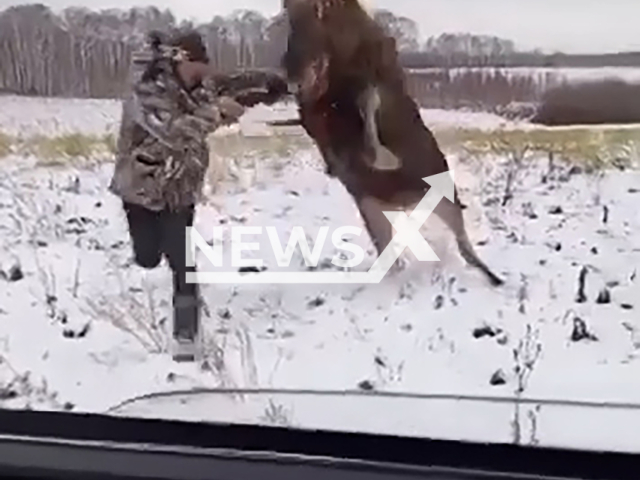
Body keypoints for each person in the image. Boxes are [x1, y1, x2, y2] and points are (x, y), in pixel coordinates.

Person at [109, 29, 289, 362]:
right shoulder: (146, 89)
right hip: (142, 189)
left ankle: (185, 341)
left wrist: (270, 82)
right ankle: (155, 253)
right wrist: (220, 112)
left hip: (181, 187)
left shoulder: (201, 82)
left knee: (183, 262)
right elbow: (173, 133)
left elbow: (228, 82)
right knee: (147, 257)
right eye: (200, 67)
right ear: (180, 60)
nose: (205, 75)